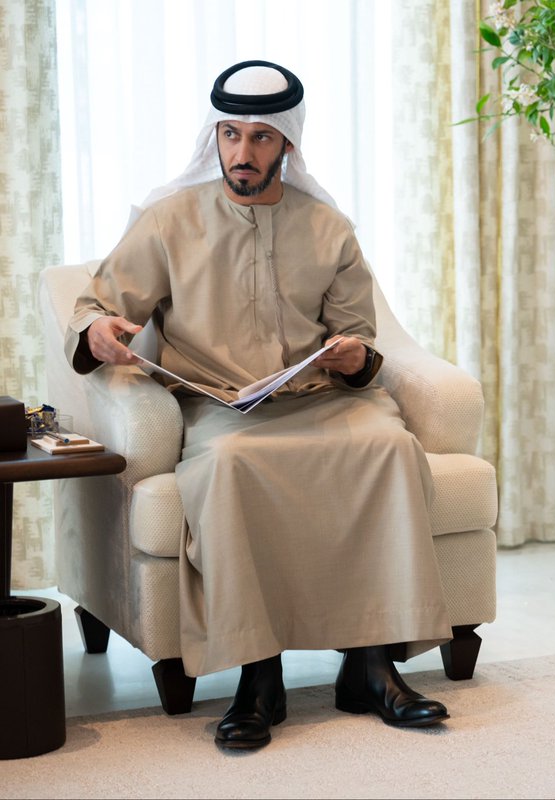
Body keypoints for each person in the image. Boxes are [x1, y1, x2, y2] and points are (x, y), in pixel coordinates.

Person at [67, 60, 453, 751]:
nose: (242, 153)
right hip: (220, 408)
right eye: (230, 135)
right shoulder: (168, 221)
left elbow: (360, 336)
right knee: (230, 464)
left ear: (287, 144)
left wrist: (351, 357)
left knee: (389, 448)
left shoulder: (329, 227)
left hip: (320, 399)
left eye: (260, 138)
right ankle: (258, 678)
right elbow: (98, 304)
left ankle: (371, 668)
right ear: (213, 137)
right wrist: (97, 330)